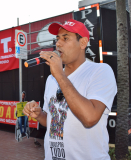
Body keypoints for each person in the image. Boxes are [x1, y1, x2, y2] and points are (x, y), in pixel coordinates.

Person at [23, 19, 117, 160]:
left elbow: (89, 118)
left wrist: (60, 75)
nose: (58, 43)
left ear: (83, 43)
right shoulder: (51, 79)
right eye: (57, 39)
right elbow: (53, 120)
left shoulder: (100, 71)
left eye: (65, 38)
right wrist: (39, 114)